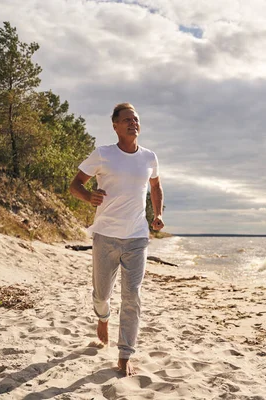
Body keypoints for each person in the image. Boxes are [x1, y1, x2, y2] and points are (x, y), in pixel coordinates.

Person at [69, 102, 164, 376]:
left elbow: (156, 186)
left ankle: (125, 354)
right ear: (115, 126)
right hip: (105, 236)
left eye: (136, 119)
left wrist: (157, 214)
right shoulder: (103, 154)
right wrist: (89, 197)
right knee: (101, 295)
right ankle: (103, 318)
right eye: (126, 120)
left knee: (132, 296)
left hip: (136, 237)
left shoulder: (149, 157)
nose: (133, 123)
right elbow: (75, 185)